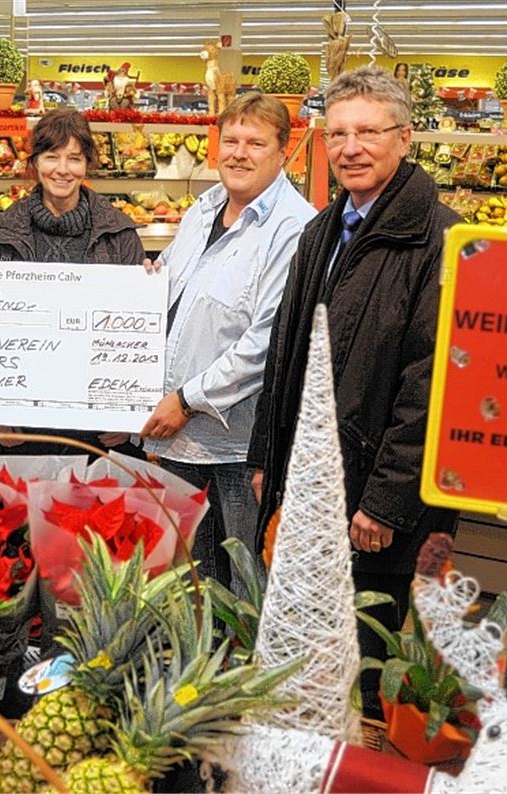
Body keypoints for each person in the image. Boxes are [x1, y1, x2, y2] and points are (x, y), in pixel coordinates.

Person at [248, 66, 461, 717]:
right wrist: (264, 458)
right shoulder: (320, 232)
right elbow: (284, 356)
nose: (350, 147)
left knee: (366, 667)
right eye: (337, 133)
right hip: (311, 487)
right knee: (308, 653)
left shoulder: (441, 241)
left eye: (368, 131)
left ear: (404, 138)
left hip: (378, 508)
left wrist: (386, 501)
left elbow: (431, 387)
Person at [140, 92, 316, 595]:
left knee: (248, 580)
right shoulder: (203, 209)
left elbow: (266, 341)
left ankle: (247, 671)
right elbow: (175, 287)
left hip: (238, 445)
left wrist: (188, 399)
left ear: (284, 152)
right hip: (176, 436)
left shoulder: (293, 228)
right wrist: (150, 285)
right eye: (231, 140)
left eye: (256, 142)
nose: (239, 153)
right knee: (187, 573)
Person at [0, 108, 145, 460]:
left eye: (74, 158)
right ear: (35, 162)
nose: (63, 169)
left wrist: (129, 413)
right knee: (18, 514)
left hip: (95, 425)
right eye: (52, 157)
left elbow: (136, 333)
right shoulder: (3, 234)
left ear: (88, 164)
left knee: (94, 514)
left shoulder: (119, 234)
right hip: (19, 423)